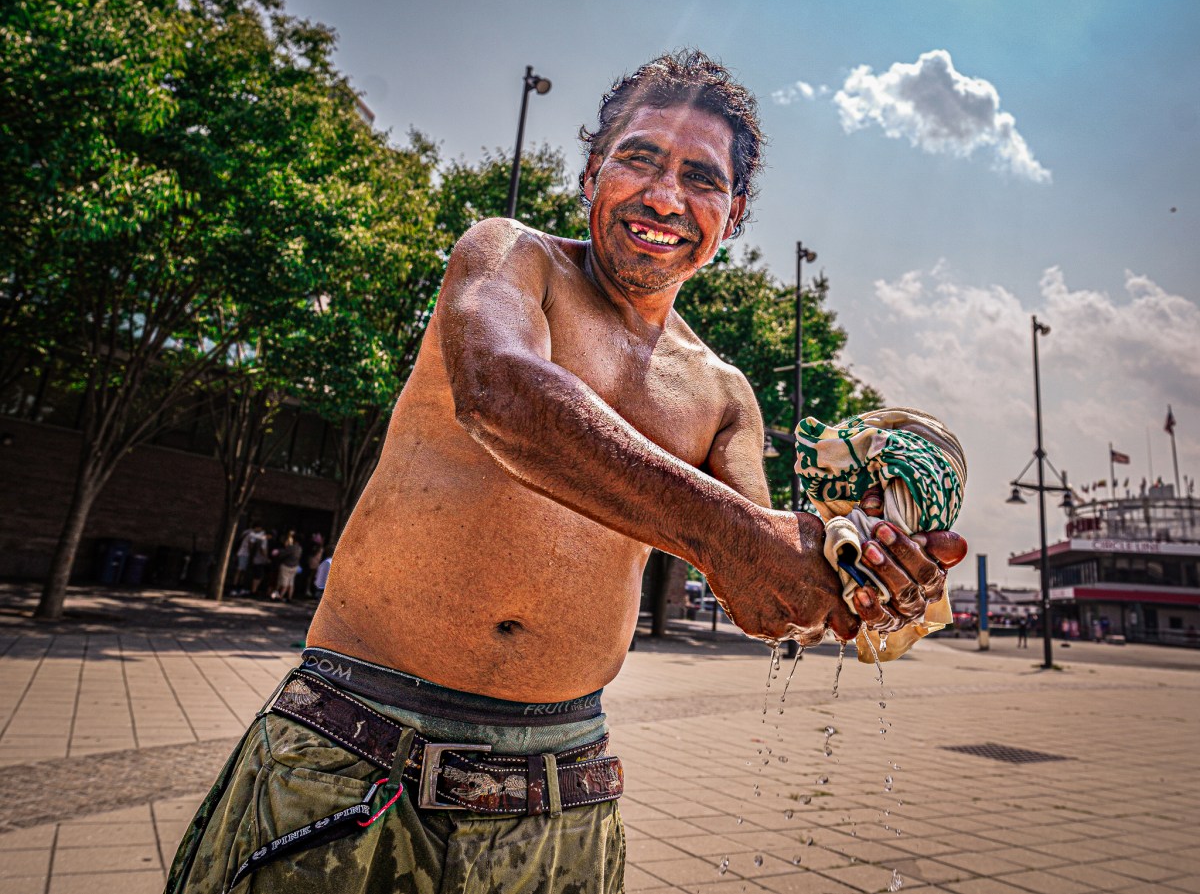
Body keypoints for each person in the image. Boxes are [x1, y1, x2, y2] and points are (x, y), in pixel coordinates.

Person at [166, 50, 966, 894]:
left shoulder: (724, 393)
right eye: (640, 157)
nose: (664, 196)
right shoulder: (511, 258)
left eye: (700, 177)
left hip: (562, 795)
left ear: (730, 219)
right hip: (354, 751)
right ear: (591, 175)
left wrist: (860, 561)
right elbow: (501, 393)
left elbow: (761, 582)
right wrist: (739, 537)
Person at [229, 522, 266, 597]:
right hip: (245, 554)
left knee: (239, 571)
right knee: (241, 571)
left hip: (240, 553)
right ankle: (237, 587)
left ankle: (236, 586)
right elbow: (250, 545)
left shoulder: (246, 532)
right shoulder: (252, 534)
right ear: (257, 527)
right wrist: (252, 555)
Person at [271, 531, 303, 602]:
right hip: (294, 566)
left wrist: (279, 551)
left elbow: (282, 554)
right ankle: (289, 597)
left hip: (286, 566)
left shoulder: (291, 547)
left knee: (284, 583)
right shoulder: (300, 548)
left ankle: (280, 597)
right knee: (291, 583)